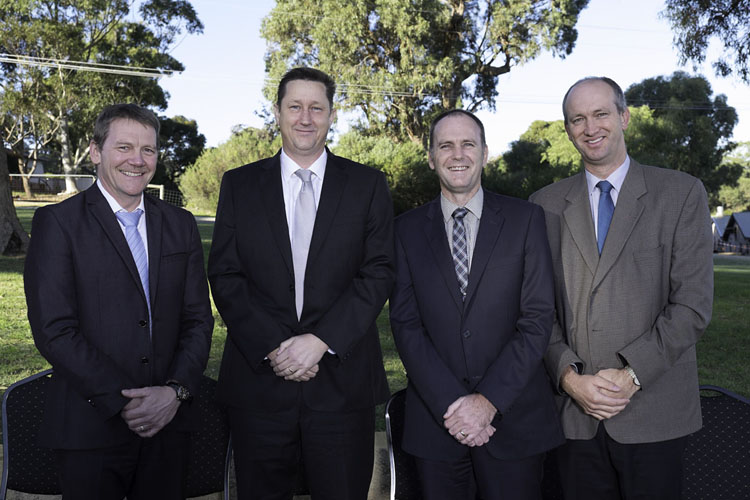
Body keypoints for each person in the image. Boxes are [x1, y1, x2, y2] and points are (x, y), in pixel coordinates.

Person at [208, 67, 394, 500]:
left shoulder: (367, 185)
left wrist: (321, 340)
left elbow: (379, 270)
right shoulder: (240, 185)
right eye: (295, 106)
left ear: (332, 115)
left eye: (317, 107)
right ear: (277, 112)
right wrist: (275, 345)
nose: (305, 117)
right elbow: (226, 274)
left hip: (341, 384)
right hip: (260, 384)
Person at [529, 76, 714, 499]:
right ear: (567, 129)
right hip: (575, 416)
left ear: (625, 117)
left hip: (654, 411)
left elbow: (692, 306)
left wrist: (632, 375)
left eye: (600, 114)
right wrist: (568, 378)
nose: (590, 127)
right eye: (577, 119)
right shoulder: (544, 205)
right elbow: (536, 308)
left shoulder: (681, 194)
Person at [24, 103, 214, 500]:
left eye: (148, 150)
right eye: (124, 147)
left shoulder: (180, 225)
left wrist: (174, 392)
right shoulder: (57, 224)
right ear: (96, 151)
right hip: (89, 425)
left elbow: (198, 319)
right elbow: (54, 330)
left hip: (169, 425)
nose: (137, 160)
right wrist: (124, 401)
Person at [389, 109, 564, 500]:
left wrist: (488, 402)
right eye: (445, 145)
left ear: (485, 153)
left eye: (468, 144)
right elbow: (405, 324)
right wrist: (456, 406)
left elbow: (537, 319)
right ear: (431, 157)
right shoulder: (405, 230)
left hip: (515, 420)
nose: (458, 154)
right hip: (438, 423)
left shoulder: (526, 220)